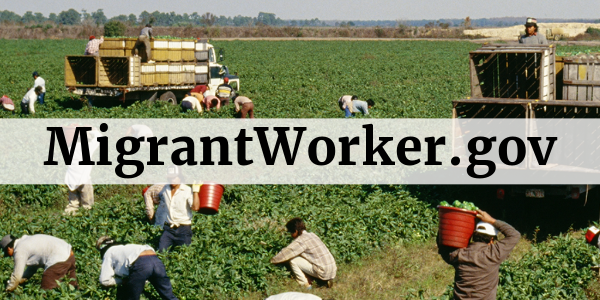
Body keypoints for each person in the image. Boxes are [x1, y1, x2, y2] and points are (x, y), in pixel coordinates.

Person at [437, 210, 521, 300]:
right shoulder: (493, 254)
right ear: (491, 239)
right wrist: (492, 220)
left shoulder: (459, 254)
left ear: (474, 235)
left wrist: (447, 223)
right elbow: (514, 235)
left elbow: (442, 245)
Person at [96, 236, 178, 300]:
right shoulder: (125, 247)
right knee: (169, 296)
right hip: (155, 260)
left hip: (141, 263)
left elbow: (104, 280)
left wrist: (122, 281)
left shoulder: (108, 252)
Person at [271, 218, 336, 289]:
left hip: (323, 271)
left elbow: (285, 254)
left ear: (295, 231)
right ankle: (322, 281)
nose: (291, 235)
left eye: (291, 233)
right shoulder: (312, 235)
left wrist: (271, 261)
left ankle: (306, 285)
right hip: (332, 270)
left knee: (293, 260)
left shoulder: (300, 240)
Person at [1, 234, 78, 292]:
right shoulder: (25, 241)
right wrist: (23, 279)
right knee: (72, 288)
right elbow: (32, 268)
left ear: (8, 248)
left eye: (6, 253)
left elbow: (16, 276)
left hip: (59, 257)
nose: (9, 256)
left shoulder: (20, 250)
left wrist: (8, 289)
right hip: (69, 254)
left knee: (46, 291)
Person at [158, 165, 201, 252]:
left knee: (184, 254)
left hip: (184, 229)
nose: (172, 180)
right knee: (162, 252)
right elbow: (158, 197)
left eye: (174, 177)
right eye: (170, 178)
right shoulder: (165, 189)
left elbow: (195, 207)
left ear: (180, 177)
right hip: (169, 228)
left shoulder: (187, 190)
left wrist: (195, 191)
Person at [64, 126, 102, 215]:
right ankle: (87, 221)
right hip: (84, 179)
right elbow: (99, 137)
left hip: (71, 180)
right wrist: (93, 130)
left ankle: (69, 218)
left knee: (73, 205)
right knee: (87, 206)